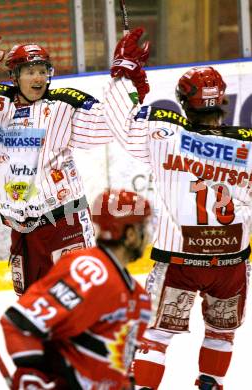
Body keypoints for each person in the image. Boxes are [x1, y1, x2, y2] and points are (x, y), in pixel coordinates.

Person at [104, 28, 252, 389]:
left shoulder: (164, 135)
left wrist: (125, 75)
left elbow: (118, 124)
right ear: (224, 103)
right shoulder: (249, 146)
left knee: (156, 337)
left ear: (185, 104)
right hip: (231, 264)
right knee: (221, 334)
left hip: (179, 263)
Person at [0, 35, 114, 295]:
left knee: (78, 300)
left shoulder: (63, 106)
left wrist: (125, 87)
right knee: (31, 305)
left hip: (64, 223)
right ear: (15, 76)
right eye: (30, 71)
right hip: (21, 230)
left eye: (42, 71)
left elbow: (110, 124)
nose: (38, 78)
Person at [0, 188, 151, 389]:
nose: (148, 236)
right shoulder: (89, 271)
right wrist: (32, 374)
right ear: (130, 234)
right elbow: (21, 323)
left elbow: (112, 368)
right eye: (145, 228)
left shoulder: (138, 298)